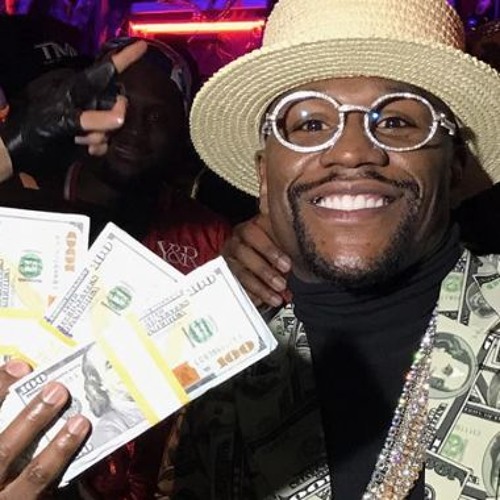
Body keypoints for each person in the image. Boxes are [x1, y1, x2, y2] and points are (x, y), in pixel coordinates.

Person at [156, 0, 500, 498]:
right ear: (264, 176)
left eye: (397, 121)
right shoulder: (223, 356)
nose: (352, 152)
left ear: (454, 169)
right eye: (311, 124)